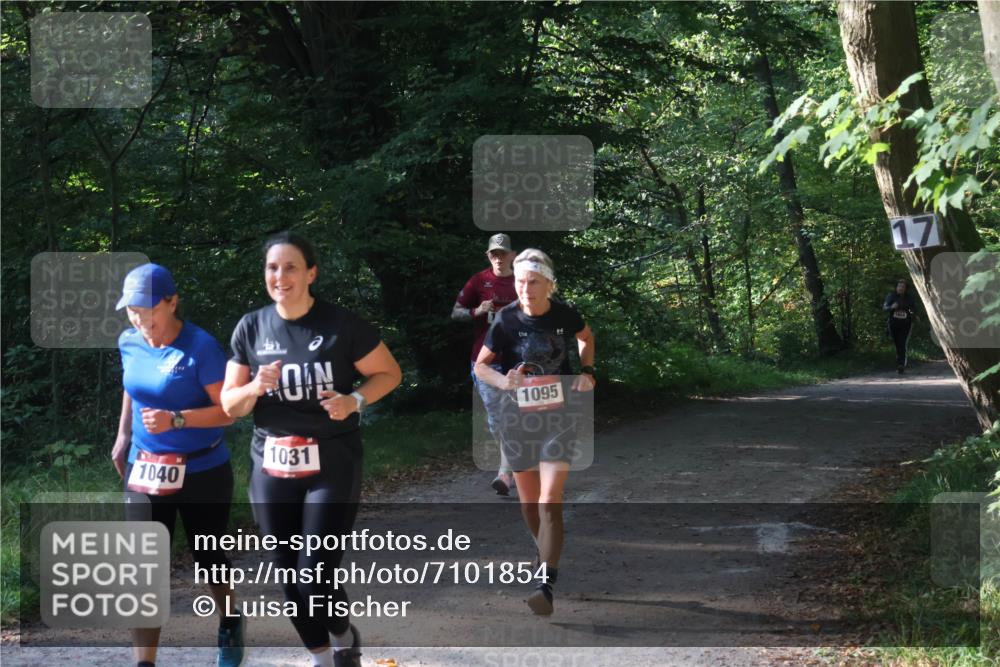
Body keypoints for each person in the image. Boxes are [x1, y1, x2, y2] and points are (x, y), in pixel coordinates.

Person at [221, 232, 402, 667]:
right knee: (288, 578)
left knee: (314, 576)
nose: (280, 276)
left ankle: (343, 637)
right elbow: (230, 405)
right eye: (272, 267)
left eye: (290, 267)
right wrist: (254, 386)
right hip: (271, 462)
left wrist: (354, 400)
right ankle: (323, 658)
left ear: (311, 274)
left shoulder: (340, 325)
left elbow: (389, 374)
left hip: (332, 461)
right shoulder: (251, 327)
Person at [110, 263, 245, 667]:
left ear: (172, 302)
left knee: (209, 558)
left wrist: (177, 420)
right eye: (132, 310)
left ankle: (230, 620)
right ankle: (144, 663)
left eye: (148, 309)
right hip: (145, 467)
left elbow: (229, 412)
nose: (140, 319)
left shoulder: (201, 348)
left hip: (202, 469)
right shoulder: (128, 341)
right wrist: (123, 435)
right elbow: (132, 387)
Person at [474, 249, 596, 616]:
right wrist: (504, 381)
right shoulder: (506, 319)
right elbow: (481, 367)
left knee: (549, 499)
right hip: (519, 420)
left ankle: (545, 584)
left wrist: (588, 372)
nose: (525, 289)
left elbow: (586, 338)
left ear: (548, 284)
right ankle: (541, 547)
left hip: (560, 417)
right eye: (520, 282)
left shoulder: (565, 315)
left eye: (533, 282)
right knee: (529, 505)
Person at [452, 233, 520, 495]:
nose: (498, 259)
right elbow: (455, 313)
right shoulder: (479, 281)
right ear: (488, 256)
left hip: (518, 360)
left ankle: (506, 472)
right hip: (485, 362)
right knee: (497, 418)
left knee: (516, 415)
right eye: (494, 254)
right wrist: (477, 311)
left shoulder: (522, 281)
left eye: (503, 254)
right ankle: (512, 467)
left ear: (512, 255)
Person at [884, 278, 916, 374]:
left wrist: (911, 311)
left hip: (906, 324)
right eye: (899, 286)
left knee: (902, 343)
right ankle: (899, 361)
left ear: (906, 289)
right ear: (896, 287)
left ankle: (901, 364)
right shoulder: (891, 296)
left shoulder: (909, 298)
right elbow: (885, 307)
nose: (900, 288)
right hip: (893, 324)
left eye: (902, 287)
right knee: (897, 344)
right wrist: (891, 307)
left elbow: (914, 309)